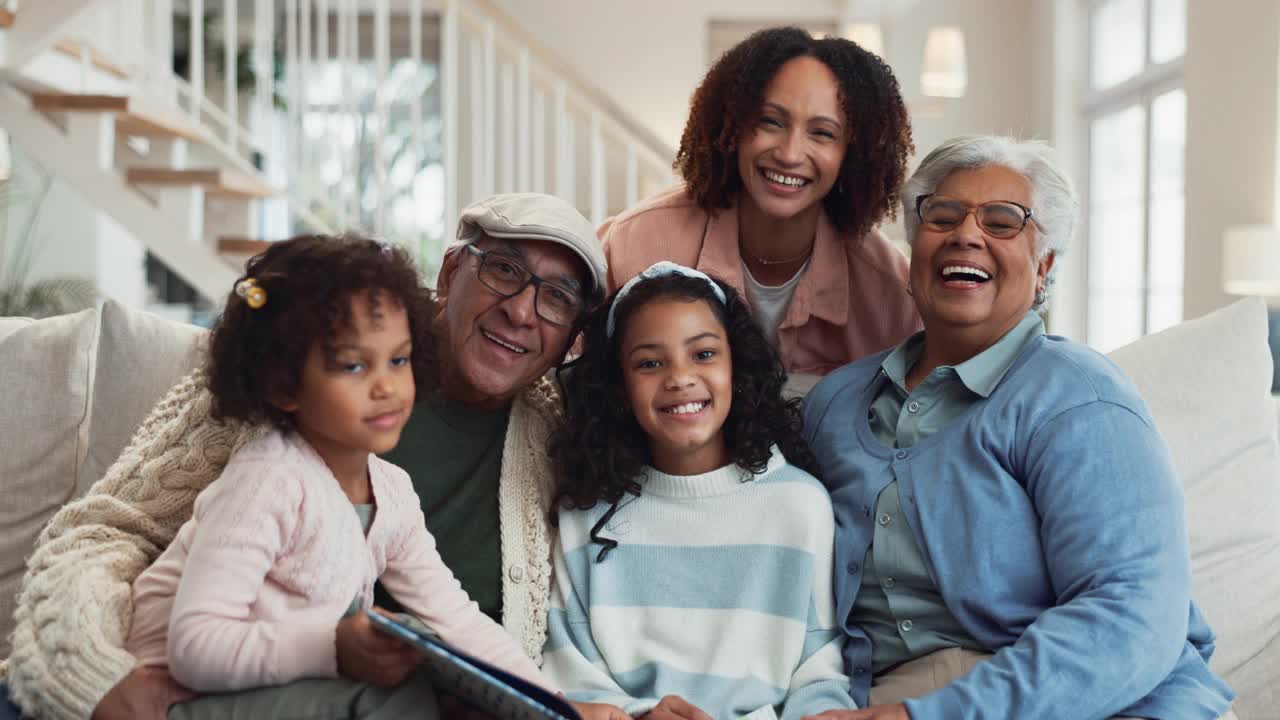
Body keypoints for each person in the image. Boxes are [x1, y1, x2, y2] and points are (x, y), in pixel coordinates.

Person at [1, 193, 618, 720]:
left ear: (574, 336)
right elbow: (110, 529)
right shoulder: (292, 378)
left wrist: (564, 707)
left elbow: (459, 617)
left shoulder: (558, 437)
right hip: (196, 682)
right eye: (504, 269)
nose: (521, 309)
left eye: (559, 297)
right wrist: (95, 675)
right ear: (452, 271)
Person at [800, 136, 1237, 720]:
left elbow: (1132, 615)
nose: (966, 234)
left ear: (1044, 267)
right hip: (880, 696)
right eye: (942, 215)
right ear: (912, 250)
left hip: (1102, 698)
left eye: (1003, 221)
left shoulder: (1078, 399)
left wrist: (928, 715)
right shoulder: (834, 405)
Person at [120, 233, 555, 718]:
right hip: (180, 696)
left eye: (398, 359)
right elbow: (194, 647)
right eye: (353, 365)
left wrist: (554, 705)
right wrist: (332, 647)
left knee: (421, 659)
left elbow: (456, 618)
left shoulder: (392, 492)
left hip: (282, 689)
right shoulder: (269, 481)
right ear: (284, 386)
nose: (386, 386)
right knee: (394, 701)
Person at [542, 262, 856, 720]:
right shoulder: (584, 514)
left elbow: (820, 672)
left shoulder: (800, 505)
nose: (679, 378)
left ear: (737, 366)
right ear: (619, 387)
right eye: (650, 363)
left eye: (704, 354)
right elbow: (569, 669)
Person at [600, 26, 920, 377]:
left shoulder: (890, 291)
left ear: (854, 155)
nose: (789, 153)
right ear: (732, 126)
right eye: (770, 122)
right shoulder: (635, 242)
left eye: (823, 133)